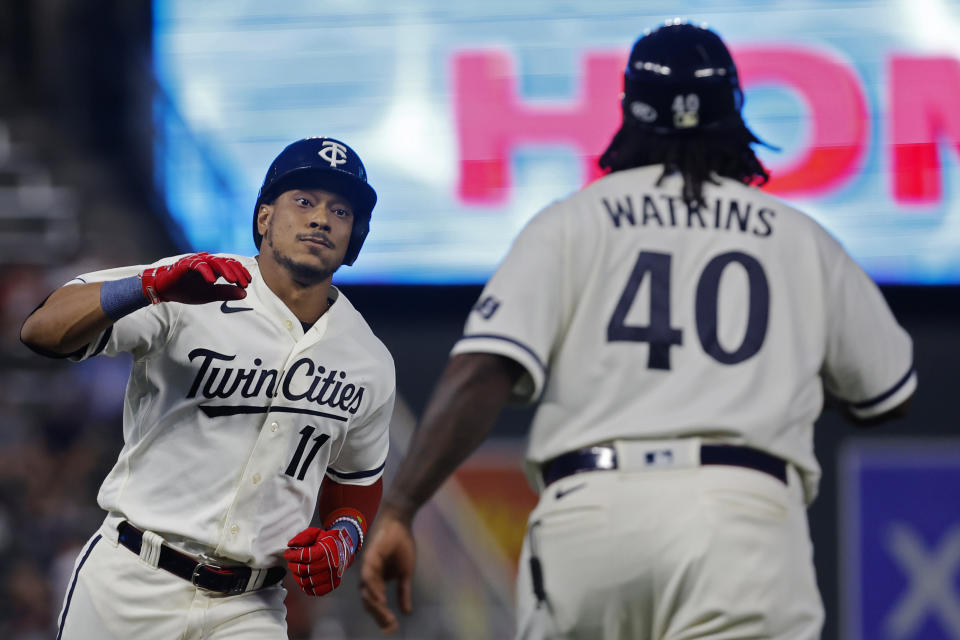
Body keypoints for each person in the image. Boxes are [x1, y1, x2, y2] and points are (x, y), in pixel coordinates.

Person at [359, 22, 916, 639]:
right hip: (743, 521)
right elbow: (887, 391)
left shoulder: (572, 222)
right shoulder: (797, 236)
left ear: (628, 111)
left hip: (591, 515)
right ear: (734, 111)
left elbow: (482, 372)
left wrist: (403, 508)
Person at [20, 137, 396, 639]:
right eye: (303, 201)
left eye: (341, 209)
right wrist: (150, 286)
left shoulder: (368, 359)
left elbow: (357, 481)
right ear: (264, 217)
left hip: (250, 606)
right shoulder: (196, 282)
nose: (321, 219)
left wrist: (344, 537)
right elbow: (41, 331)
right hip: (131, 580)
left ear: (356, 235)